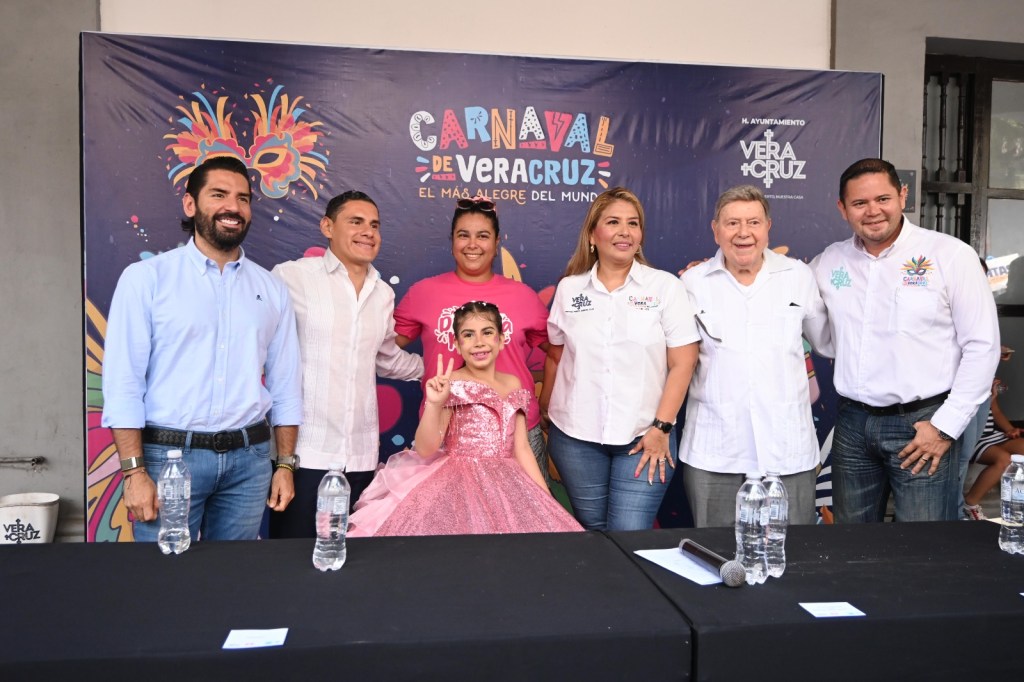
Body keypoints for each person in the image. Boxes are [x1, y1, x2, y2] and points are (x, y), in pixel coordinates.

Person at [102, 156, 303, 541]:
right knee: (163, 573)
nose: (233, 207)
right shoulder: (146, 279)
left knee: (232, 576)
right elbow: (124, 384)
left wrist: (285, 465)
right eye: (219, 195)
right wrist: (134, 472)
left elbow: (286, 385)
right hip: (167, 459)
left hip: (250, 463)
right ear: (190, 204)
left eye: (243, 198)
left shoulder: (272, 289)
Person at [810, 158, 999, 523]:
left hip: (923, 424)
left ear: (903, 196)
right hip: (853, 425)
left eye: (882, 199)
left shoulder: (950, 255)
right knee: (852, 543)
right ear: (842, 208)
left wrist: (944, 427)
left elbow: (982, 346)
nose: (873, 211)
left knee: (921, 544)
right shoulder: (830, 262)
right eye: (859, 203)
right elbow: (789, 297)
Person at [348, 302, 582, 536]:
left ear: (501, 340)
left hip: (506, 480)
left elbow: (522, 448)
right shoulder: (452, 382)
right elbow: (426, 449)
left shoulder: (513, 383)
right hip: (459, 480)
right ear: (457, 345)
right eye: (468, 335)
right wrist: (434, 404)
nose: (479, 342)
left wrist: (545, 499)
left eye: (487, 332)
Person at [541, 187, 700, 531]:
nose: (624, 231)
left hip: (646, 436)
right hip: (576, 438)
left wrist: (661, 428)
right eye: (613, 222)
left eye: (633, 223)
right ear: (592, 234)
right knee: (594, 531)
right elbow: (556, 354)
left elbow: (684, 363)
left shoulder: (665, 287)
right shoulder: (569, 289)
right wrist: (545, 411)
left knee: (629, 534)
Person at [269, 191, 423, 538]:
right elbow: (255, 342)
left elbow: (386, 358)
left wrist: (437, 370)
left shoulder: (382, 293)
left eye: (374, 225)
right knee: (292, 557)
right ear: (327, 227)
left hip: (361, 456)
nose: (368, 232)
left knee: (353, 561)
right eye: (356, 222)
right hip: (304, 455)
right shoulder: (291, 277)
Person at [680, 185, 831, 527]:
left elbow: (826, 342)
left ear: (768, 227)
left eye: (753, 222)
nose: (743, 233)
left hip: (787, 452)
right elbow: (676, 360)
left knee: (793, 553)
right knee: (715, 553)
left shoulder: (798, 276)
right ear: (715, 229)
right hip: (714, 451)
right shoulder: (692, 283)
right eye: (732, 223)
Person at [394, 196, 552, 484]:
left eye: (483, 236)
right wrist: (419, 369)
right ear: (452, 240)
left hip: (516, 433)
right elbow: (386, 347)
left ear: (497, 241)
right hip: (449, 434)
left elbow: (556, 352)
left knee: (529, 509)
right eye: (463, 235)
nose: (472, 244)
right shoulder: (423, 292)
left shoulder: (523, 296)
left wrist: (547, 402)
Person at [964, 374, 1019, 520]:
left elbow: (996, 412)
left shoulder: (987, 380)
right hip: (974, 437)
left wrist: (1010, 430)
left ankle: (1018, 501)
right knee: (1004, 460)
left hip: (992, 434)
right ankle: (970, 504)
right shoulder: (964, 380)